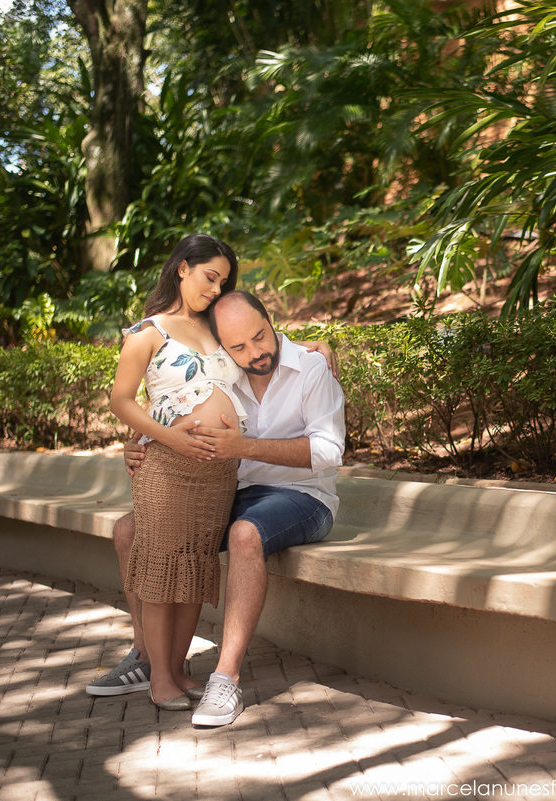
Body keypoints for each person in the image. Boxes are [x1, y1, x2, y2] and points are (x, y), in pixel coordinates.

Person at [89, 289, 345, 728]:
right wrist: (136, 447)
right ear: (223, 347)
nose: (255, 353)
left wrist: (245, 446)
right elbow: (167, 405)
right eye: (239, 347)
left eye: (261, 338)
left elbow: (328, 450)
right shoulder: (224, 368)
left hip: (304, 497)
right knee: (130, 530)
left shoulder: (311, 368)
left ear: (272, 321)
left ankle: (225, 677)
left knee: (244, 534)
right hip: (233, 491)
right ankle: (148, 658)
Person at [107, 233, 245, 711]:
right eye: (210, 277)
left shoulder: (220, 328)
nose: (215, 289)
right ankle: (159, 676)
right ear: (183, 268)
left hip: (217, 475)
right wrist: (167, 438)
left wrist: (320, 343)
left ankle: (181, 669)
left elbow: (267, 342)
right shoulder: (147, 332)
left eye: (223, 282)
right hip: (166, 468)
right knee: (163, 570)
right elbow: (121, 400)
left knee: (193, 568)